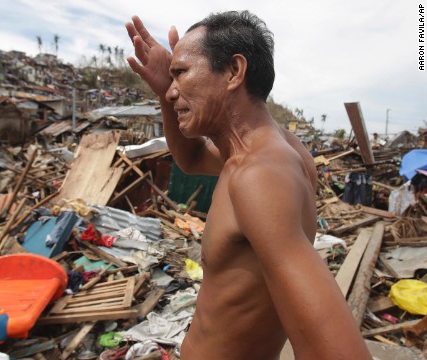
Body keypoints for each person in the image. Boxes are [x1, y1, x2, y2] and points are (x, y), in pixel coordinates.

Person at [126, 11, 371, 359]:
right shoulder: (275, 149)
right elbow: (192, 159)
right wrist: (164, 84)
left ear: (233, 72)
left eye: (181, 73)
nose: (171, 92)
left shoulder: (259, 175)